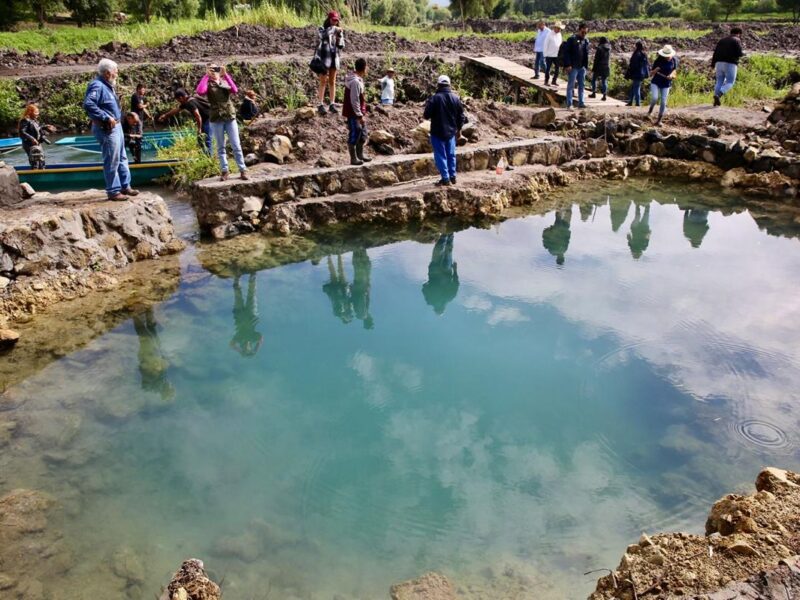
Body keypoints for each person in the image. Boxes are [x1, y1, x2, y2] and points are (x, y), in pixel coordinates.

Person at [83, 58, 138, 201]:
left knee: (122, 157)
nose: (117, 74)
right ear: (108, 73)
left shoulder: (108, 85)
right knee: (112, 159)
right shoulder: (97, 85)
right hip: (107, 128)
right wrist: (106, 117)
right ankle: (113, 191)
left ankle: (125, 186)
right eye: (116, 72)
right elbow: (88, 104)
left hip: (117, 126)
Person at [196, 63, 249, 181]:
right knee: (220, 147)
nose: (214, 71)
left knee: (236, 145)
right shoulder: (208, 83)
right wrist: (206, 76)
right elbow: (200, 91)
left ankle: (243, 170)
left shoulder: (224, 81)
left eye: (216, 68)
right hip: (216, 118)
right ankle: (225, 171)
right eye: (212, 69)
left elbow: (235, 90)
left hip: (229, 116)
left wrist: (226, 75)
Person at [423, 74, 467, 187]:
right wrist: (458, 129)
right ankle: (453, 177)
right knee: (451, 154)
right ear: (449, 85)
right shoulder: (455, 98)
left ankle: (445, 179)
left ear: (438, 85)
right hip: (451, 133)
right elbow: (461, 117)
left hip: (437, 132)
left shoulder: (434, 98)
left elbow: (426, 115)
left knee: (440, 155)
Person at [158, 89, 212, 155]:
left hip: (208, 119)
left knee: (206, 138)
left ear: (181, 97)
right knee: (200, 138)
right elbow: (176, 110)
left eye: (178, 100)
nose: (179, 102)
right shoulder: (186, 101)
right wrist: (165, 116)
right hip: (205, 119)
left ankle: (209, 156)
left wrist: (199, 128)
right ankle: (203, 155)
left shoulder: (190, 103)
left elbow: (198, 116)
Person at [315, 10, 345, 115]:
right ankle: (320, 104)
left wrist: (339, 37)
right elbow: (322, 36)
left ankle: (332, 104)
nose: (335, 22)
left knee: (332, 81)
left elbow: (341, 45)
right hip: (324, 59)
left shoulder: (337, 30)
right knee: (323, 81)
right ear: (329, 19)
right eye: (333, 20)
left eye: (336, 21)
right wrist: (334, 29)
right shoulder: (322, 29)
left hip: (334, 58)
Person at [343, 57, 372, 166]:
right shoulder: (355, 81)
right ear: (364, 68)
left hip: (359, 112)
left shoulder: (358, 79)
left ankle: (360, 155)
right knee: (355, 132)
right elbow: (354, 100)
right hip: (354, 113)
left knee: (363, 133)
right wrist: (359, 115)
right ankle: (353, 158)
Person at [422, 234, 459, 315]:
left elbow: (455, 284)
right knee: (439, 249)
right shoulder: (430, 299)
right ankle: (445, 232)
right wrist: (428, 283)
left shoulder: (449, 297)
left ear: (443, 308)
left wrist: (455, 270)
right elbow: (424, 287)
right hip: (434, 271)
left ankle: (450, 231)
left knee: (448, 249)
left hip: (446, 272)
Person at [230, 273, 263, 357]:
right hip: (251, 315)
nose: (247, 347)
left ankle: (237, 278)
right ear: (251, 346)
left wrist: (240, 352)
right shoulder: (252, 338)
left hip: (239, 316)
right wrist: (256, 350)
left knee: (238, 296)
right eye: (248, 348)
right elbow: (260, 338)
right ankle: (252, 276)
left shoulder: (239, 338)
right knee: (251, 295)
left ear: (243, 348)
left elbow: (231, 344)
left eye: (245, 349)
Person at [712, 26, 744, 107]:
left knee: (719, 81)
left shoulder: (721, 40)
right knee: (730, 82)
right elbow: (739, 53)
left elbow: (715, 53)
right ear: (739, 34)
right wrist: (743, 54)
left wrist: (713, 64)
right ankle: (719, 95)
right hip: (730, 63)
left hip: (719, 63)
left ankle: (716, 100)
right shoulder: (736, 40)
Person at [649, 45, 678, 127]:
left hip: (666, 83)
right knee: (655, 98)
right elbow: (651, 73)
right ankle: (650, 111)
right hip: (656, 81)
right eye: (666, 55)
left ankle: (659, 120)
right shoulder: (658, 61)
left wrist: (671, 76)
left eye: (669, 55)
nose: (668, 57)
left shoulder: (674, 60)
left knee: (663, 102)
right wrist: (655, 70)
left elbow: (674, 71)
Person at [562, 22, 589, 110]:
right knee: (571, 85)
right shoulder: (571, 39)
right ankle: (569, 104)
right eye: (582, 32)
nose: (584, 34)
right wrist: (568, 64)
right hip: (573, 66)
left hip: (581, 67)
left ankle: (581, 103)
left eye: (585, 33)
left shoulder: (585, 41)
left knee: (582, 85)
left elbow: (585, 54)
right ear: (578, 30)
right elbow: (566, 53)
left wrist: (585, 66)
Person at [18, 103, 53, 169]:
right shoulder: (25, 120)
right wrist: (32, 139)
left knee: (41, 160)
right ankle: (35, 175)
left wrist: (45, 127)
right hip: (29, 144)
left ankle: (42, 173)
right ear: (30, 112)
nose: (38, 114)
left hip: (37, 144)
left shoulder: (35, 120)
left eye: (38, 112)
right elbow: (22, 132)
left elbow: (37, 129)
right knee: (35, 161)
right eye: (36, 112)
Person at [625, 42, 650, 107]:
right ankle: (630, 101)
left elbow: (633, 65)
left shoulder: (636, 54)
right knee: (633, 87)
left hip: (636, 74)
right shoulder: (644, 54)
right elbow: (647, 65)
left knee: (636, 88)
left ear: (637, 46)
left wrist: (630, 73)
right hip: (642, 74)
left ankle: (638, 103)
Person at [590, 36, 611, 101]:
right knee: (604, 81)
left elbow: (596, 59)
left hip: (599, 67)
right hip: (606, 66)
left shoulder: (599, 48)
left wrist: (594, 68)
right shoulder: (609, 48)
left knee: (594, 79)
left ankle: (593, 92)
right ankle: (604, 95)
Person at [543, 21, 564, 87]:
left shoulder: (559, 34)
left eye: (560, 29)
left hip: (557, 55)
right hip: (549, 55)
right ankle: (546, 81)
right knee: (548, 69)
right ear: (555, 28)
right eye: (559, 28)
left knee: (557, 68)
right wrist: (545, 54)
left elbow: (560, 44)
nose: (560, 30)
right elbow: (545, 44)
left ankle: (554, 81)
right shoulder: (549, 34)